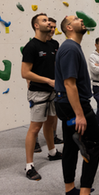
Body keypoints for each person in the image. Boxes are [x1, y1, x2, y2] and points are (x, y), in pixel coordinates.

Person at [55, 15, 99, 195]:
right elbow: (70, 84)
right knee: (94, 145)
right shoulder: (70, 48)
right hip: (74, 105)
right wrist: (80, 114)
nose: (81, 20)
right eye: (76, 19)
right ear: (69, 27)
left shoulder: (71, 47)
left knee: (70, 145)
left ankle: (70, 190)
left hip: (65, 103)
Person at [21, 13, 62, 181]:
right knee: (35, 128)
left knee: (51, 123)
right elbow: (25, 73)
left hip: (53, 91)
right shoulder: (31, 47)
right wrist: (47, 81)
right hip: (38, 92)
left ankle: (52, 151)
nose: (49, 24)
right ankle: (29, 165)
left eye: (49, 21)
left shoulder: (54, 44)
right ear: (36, 26)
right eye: (44, 21)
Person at [34, 18, 63, 153]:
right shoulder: (35, 45)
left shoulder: (55, 44)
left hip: (53, 85)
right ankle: (35, 142)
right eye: (50, 26)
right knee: (38, 118)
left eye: (54, 28)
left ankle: (53, 137)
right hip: (39, 87)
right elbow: (29, 70)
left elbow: (56, 64)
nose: (52, 29)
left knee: (53, 115)